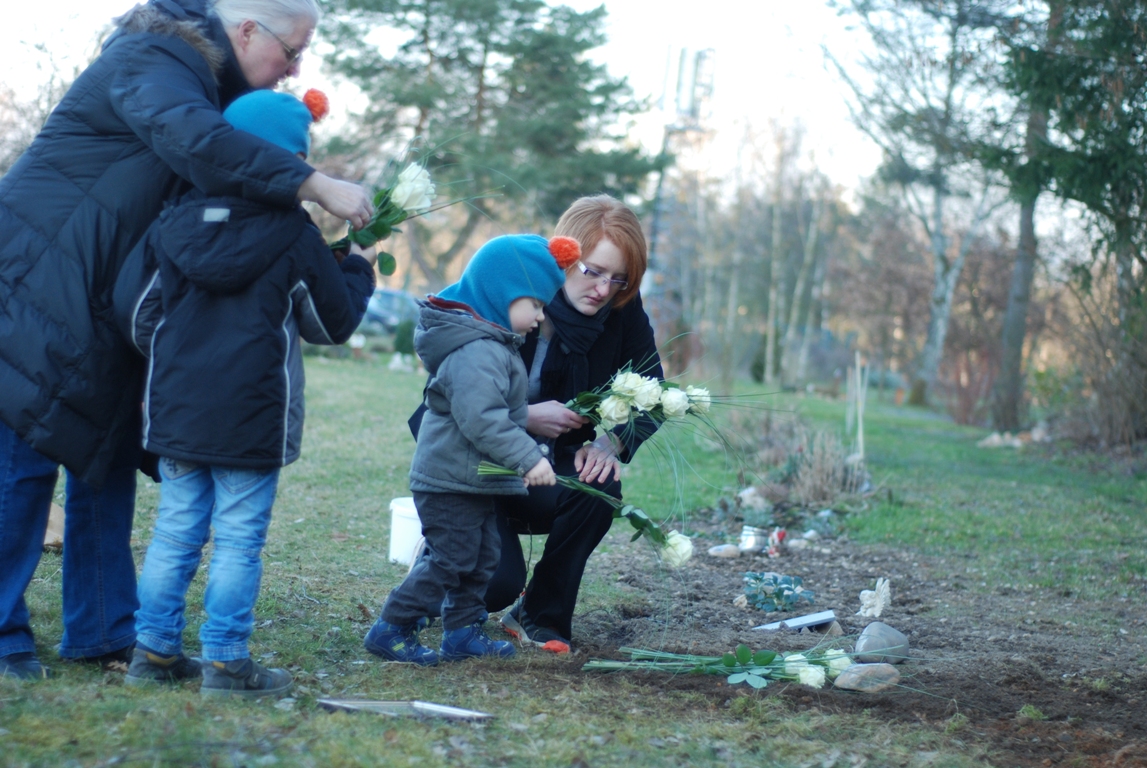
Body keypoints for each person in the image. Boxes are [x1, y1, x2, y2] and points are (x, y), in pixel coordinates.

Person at [0, 0, 374, 681]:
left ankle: (103, 631)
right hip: (41, 279)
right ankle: (2, 634)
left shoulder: (208, 86)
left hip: (104, 297)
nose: (297, 68)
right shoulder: (154, 58)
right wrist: (314, 183)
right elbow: (193, 138)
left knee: (101, 461)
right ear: (246, 29)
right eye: (292, 51)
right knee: (25, 462)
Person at [113, 89, 376, 697]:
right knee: (237, 539)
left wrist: (182, 360)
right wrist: (356, 269)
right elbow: (329, 324)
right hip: (252, 417)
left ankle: (152, 652)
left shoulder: (172, 222)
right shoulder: (294, 234)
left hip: (177, 408)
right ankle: (227, 662)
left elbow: (139, 317)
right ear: (294, 161)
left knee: (175, 531)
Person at [364, 234, 580, 666]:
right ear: (503, 294)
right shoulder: (476, 351)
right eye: (535, 304)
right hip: (447, 480)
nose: (541, 316)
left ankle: (462, 630)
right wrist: (528, 458)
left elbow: (504, 412)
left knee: (483, 558)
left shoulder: (495, 344)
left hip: (472, 478)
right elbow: (483, 419)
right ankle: (393, 626)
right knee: (450, 560)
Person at [494, 195, 664, 653]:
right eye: (592, 271)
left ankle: (540, 612)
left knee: (599, 485)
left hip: (548, 469)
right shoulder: (512, 287)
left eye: (618, 278)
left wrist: (610, 443)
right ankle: (442, 557)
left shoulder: (621, 312)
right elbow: (444, 396)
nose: (604, 290)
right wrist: (526, 416)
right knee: (494, 584)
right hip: (479, 466)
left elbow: (657, 394)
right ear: (564, 255)